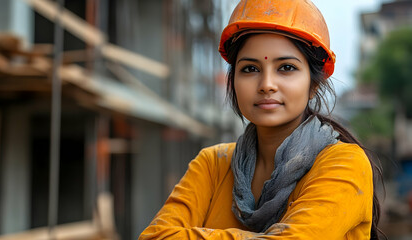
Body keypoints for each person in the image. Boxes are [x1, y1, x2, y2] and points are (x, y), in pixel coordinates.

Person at [139, 0, 384, 239]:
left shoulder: (344, 164)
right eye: (250, 69)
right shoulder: (212, 165)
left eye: (286, 68)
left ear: (314, 85)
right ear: (233, 81)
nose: (267, 85)